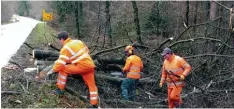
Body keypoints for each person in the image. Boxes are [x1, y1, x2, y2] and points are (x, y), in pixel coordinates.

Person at [52, 31, 98, 107]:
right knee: (92, 85)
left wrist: (54, 69)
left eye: (60, 40)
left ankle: (60, 89)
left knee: (63, 69)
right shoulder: (78, 41)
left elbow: (60, 64)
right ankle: (94, 105)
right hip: (90, 65)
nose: (60, 42)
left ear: (62, 39)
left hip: (82, 66)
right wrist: (72, 60)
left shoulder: (66, 48)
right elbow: (86, 51)